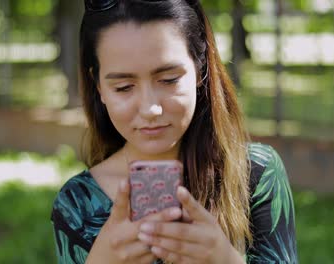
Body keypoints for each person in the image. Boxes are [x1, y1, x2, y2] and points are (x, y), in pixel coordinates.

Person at [51, 0, 298, 263]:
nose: (150, 109)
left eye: (169, 80)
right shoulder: (76, 204)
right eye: (123, 87)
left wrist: (224, 258)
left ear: (200, 67)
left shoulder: (256, 173)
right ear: (98, 87)